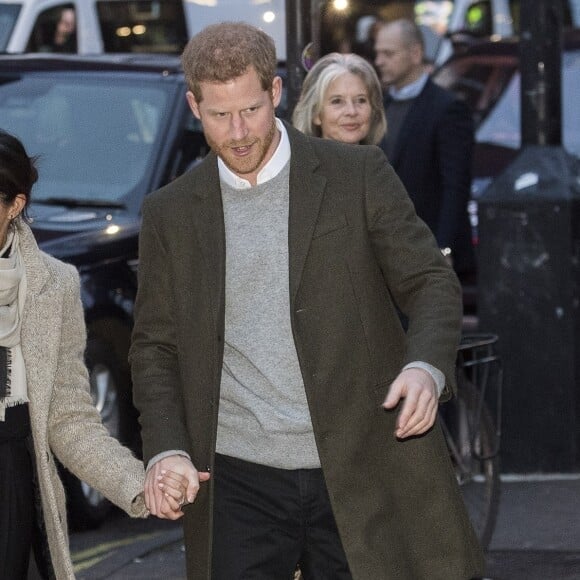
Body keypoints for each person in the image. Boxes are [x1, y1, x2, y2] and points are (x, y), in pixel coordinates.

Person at [130, 22, 485, 579]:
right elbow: (154, 345)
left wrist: (425, 367)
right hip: (238, 475)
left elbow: (430, 282)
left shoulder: (356, 174)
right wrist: (167, 447)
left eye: (250, 109)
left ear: (275, 93)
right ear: (194, 107)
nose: (240, 131)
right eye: (220, 116)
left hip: (359, 459)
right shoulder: (172, 212)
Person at [0, 130, 187, 580]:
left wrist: (137, 484)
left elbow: (69, 418)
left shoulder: (55, 286)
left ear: (15, 206)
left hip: (9, 486)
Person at [374, 18, 475, 281]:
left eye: (388, 53)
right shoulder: (378, 107)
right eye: (378, 53)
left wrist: (444, 247)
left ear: (415, 53)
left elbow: (456, 184)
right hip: (390, 250)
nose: (380, 61)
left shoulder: (446, 108)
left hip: (430, 249)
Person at [292, 52, 386, 145]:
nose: (352, 112)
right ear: (315, 113)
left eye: (361, 100)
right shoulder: (301, 160)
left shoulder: (381, 159)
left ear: (373, 109)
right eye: (337, 101)